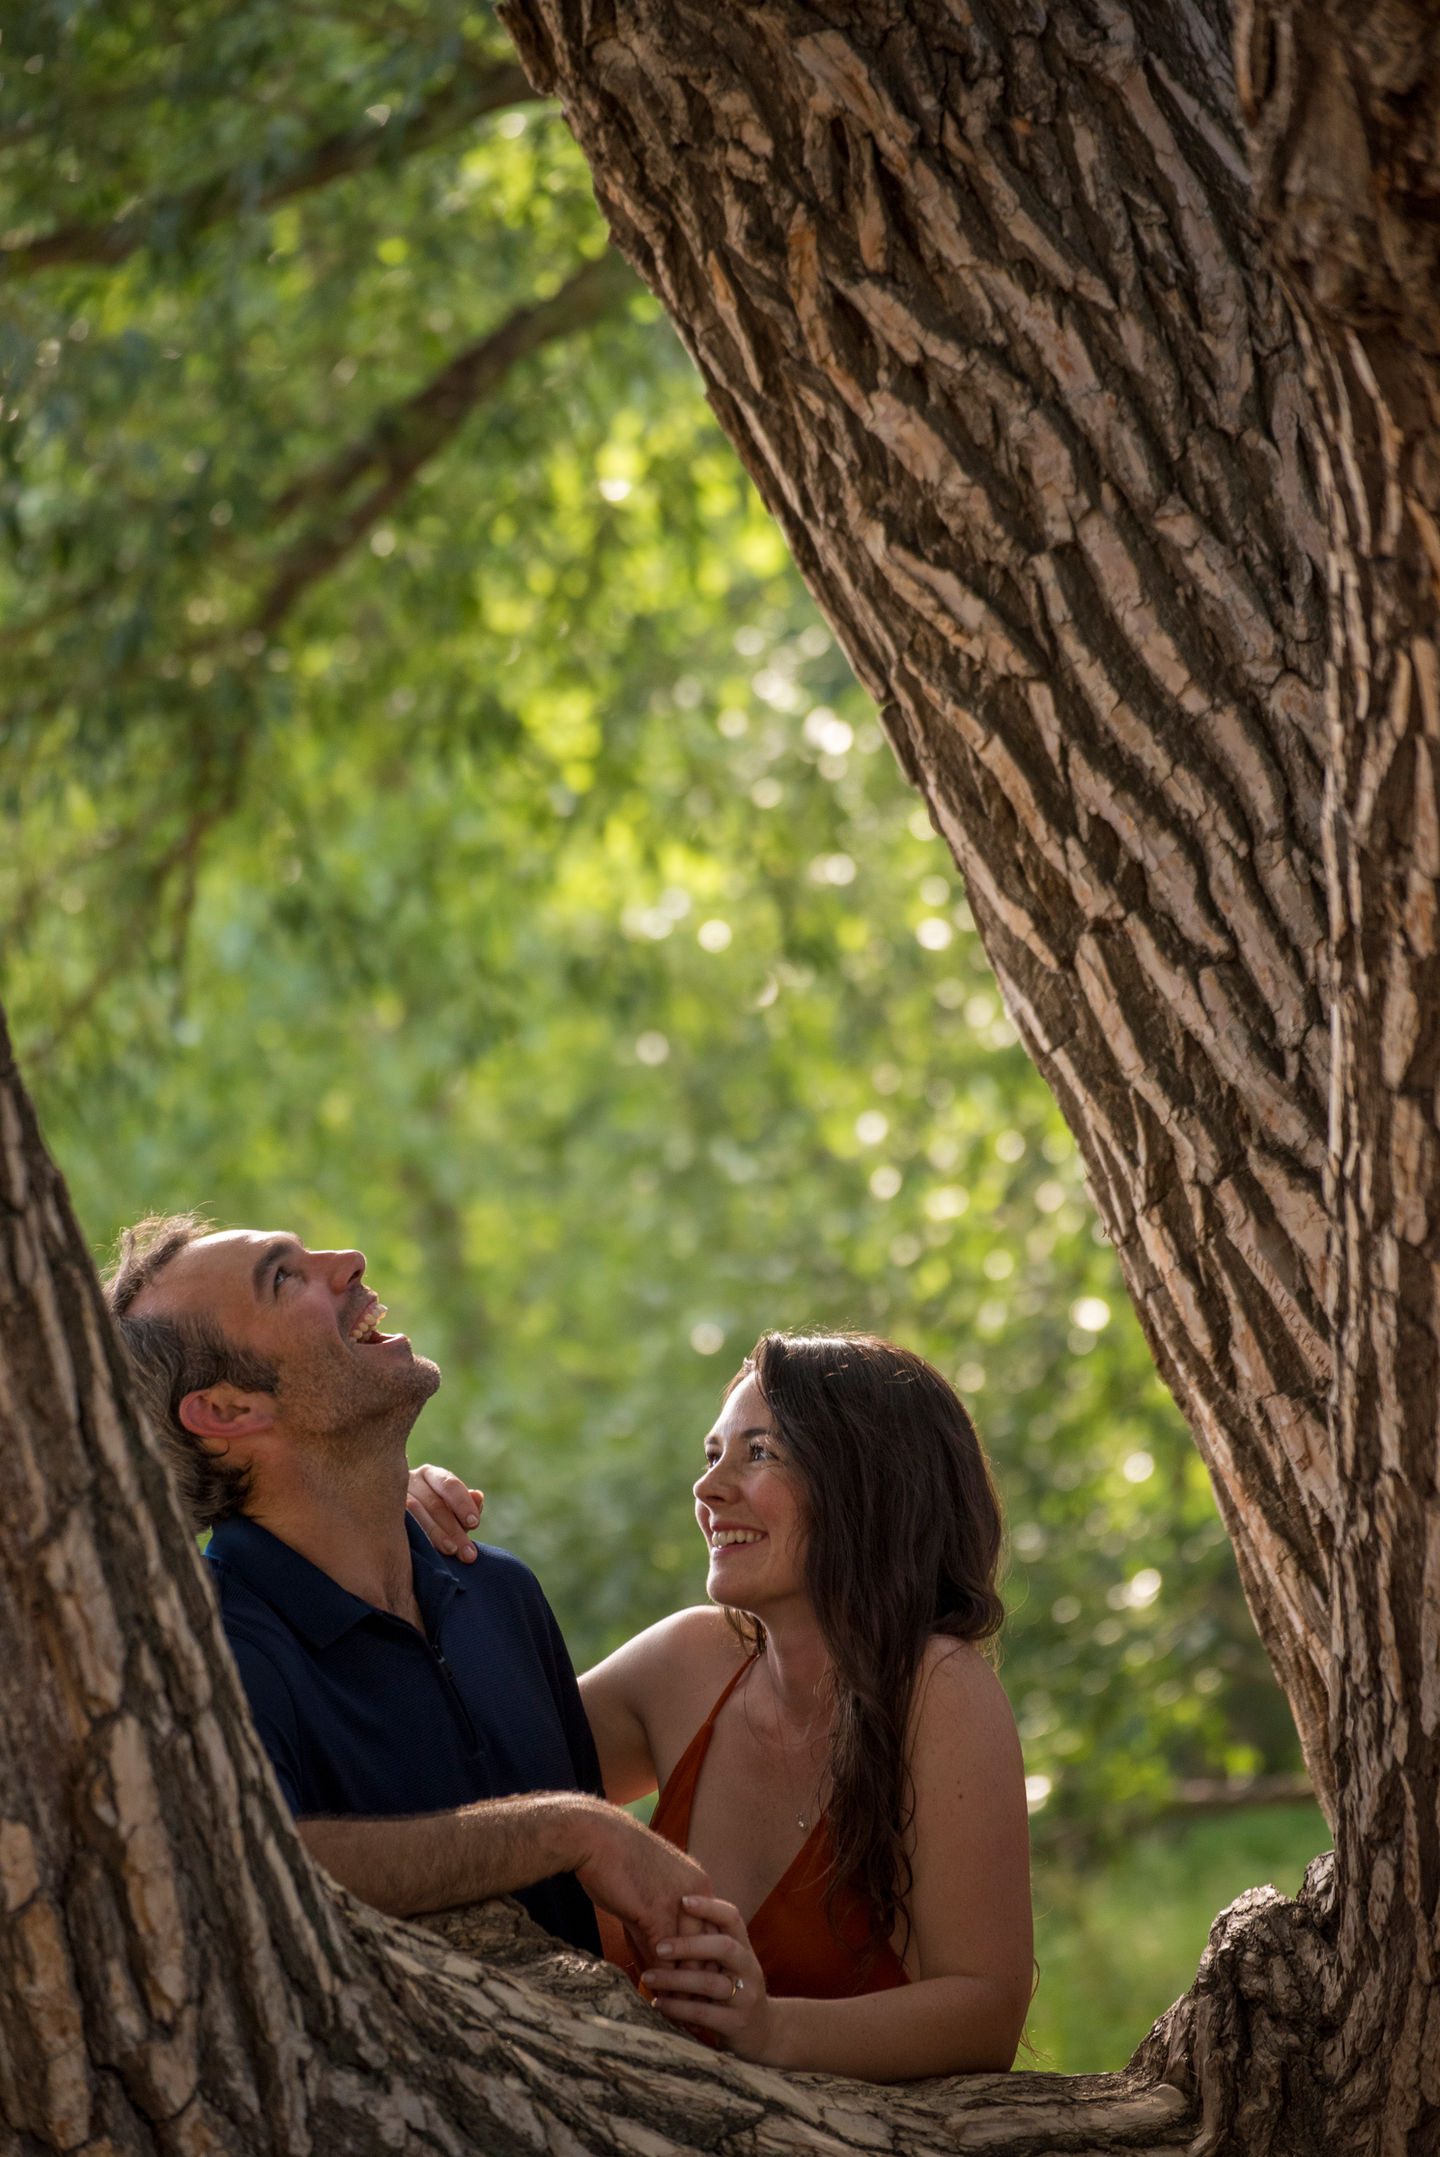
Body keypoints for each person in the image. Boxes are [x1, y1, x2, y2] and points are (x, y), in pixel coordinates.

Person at [409, 1330, 1033, 2080]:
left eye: (758, 1453)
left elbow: (986, 2011)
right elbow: (456, 1780)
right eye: (712, 1455)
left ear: (869, 1481)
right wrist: (390, 1526)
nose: (707, 1489)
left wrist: (771, 2029)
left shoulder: (939, 1687)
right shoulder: (686, 1662)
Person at [105, 1214, 709, 1962]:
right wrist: (569, 1830)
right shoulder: (207, 1645)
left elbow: (594, 1915)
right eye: (283, 1277)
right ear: (228, 1410)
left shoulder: (503, 1592)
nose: (350, 1259)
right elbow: (254, 1865)